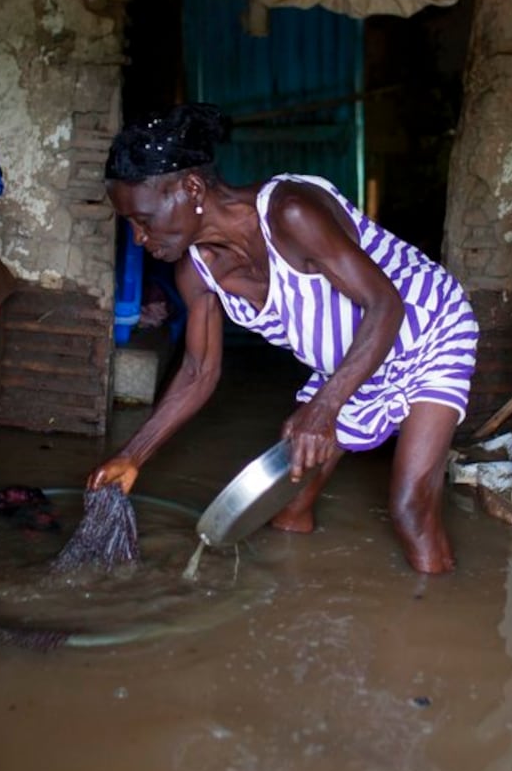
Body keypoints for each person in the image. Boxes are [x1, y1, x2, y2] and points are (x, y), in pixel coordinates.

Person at [86, 103, 480, 574]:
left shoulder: (290, 213)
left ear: (191, 188)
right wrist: (132, 456)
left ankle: (436, 628)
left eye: (144, 219)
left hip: (426, 330)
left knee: (410, 508)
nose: (137, 237)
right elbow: (197, 372)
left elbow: (385, 305)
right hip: (354, 360)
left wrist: (324, 406)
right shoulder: (196, 273)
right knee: (289, 511)